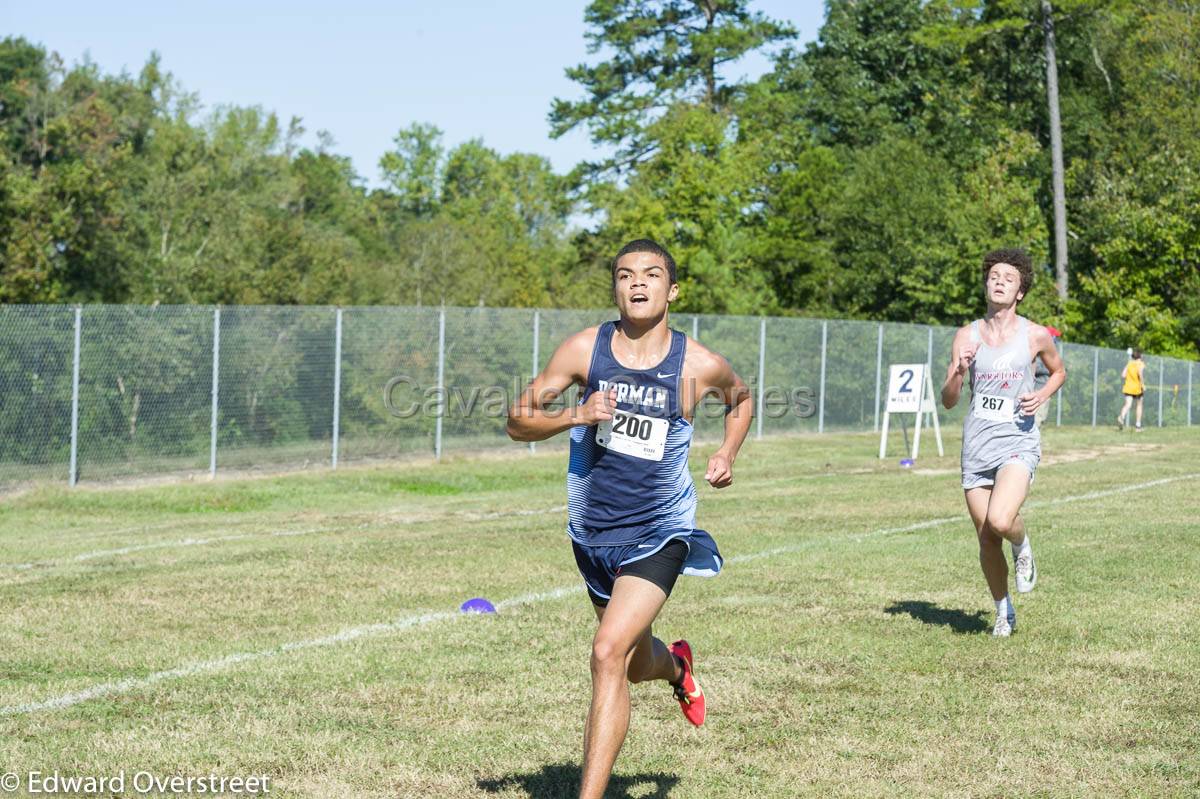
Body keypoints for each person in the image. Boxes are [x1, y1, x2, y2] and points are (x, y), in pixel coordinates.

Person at [506, 238, 752, 799]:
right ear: (615, 287)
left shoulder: (697, 363)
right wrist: (576, 414)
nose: (637, 283)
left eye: (650, 274)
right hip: (592, 530)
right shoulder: (582, 351)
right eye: (624, 275)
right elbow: (517, 421)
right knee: (635, 661)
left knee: (606, 652)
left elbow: (740, 399)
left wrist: (726, 453)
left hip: (661, 529)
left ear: (672, 289)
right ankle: (678, 668)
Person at [941, 248, 1066, 637]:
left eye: (1008, 278)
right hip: (977, 443)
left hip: (1017, 439)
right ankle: (1002, 610)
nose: (999, 281)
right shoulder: (966, 335)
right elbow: (948, 399)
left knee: (1001, 520)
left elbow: (1058, 372)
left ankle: (1023, 542)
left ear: (1020, 292)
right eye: (994, 275)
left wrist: (1042, 394)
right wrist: (960, 370)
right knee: (986, 538)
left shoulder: (1034, 335)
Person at [1033, 325, 1062, 427]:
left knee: (1040, 419)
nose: (1056, 340)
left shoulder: (1051, 353)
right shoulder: (1040, 351)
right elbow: (1036, 368)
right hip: (1037, 391)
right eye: (1055, 337)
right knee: (1036, 421)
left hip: (1045, 391)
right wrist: (1052, 370)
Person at [1117, 349, 1146, 432]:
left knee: (1128, 404)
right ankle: (1138, 426)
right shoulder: (1141, 364)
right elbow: (1140, 373)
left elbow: (1123, 375)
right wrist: (1143, 385)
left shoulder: (1129, 363)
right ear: (1140, 356)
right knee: (1139, 405)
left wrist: (1130, 378)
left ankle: (1121, 417)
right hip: (1137, 388)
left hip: (1128, 387)